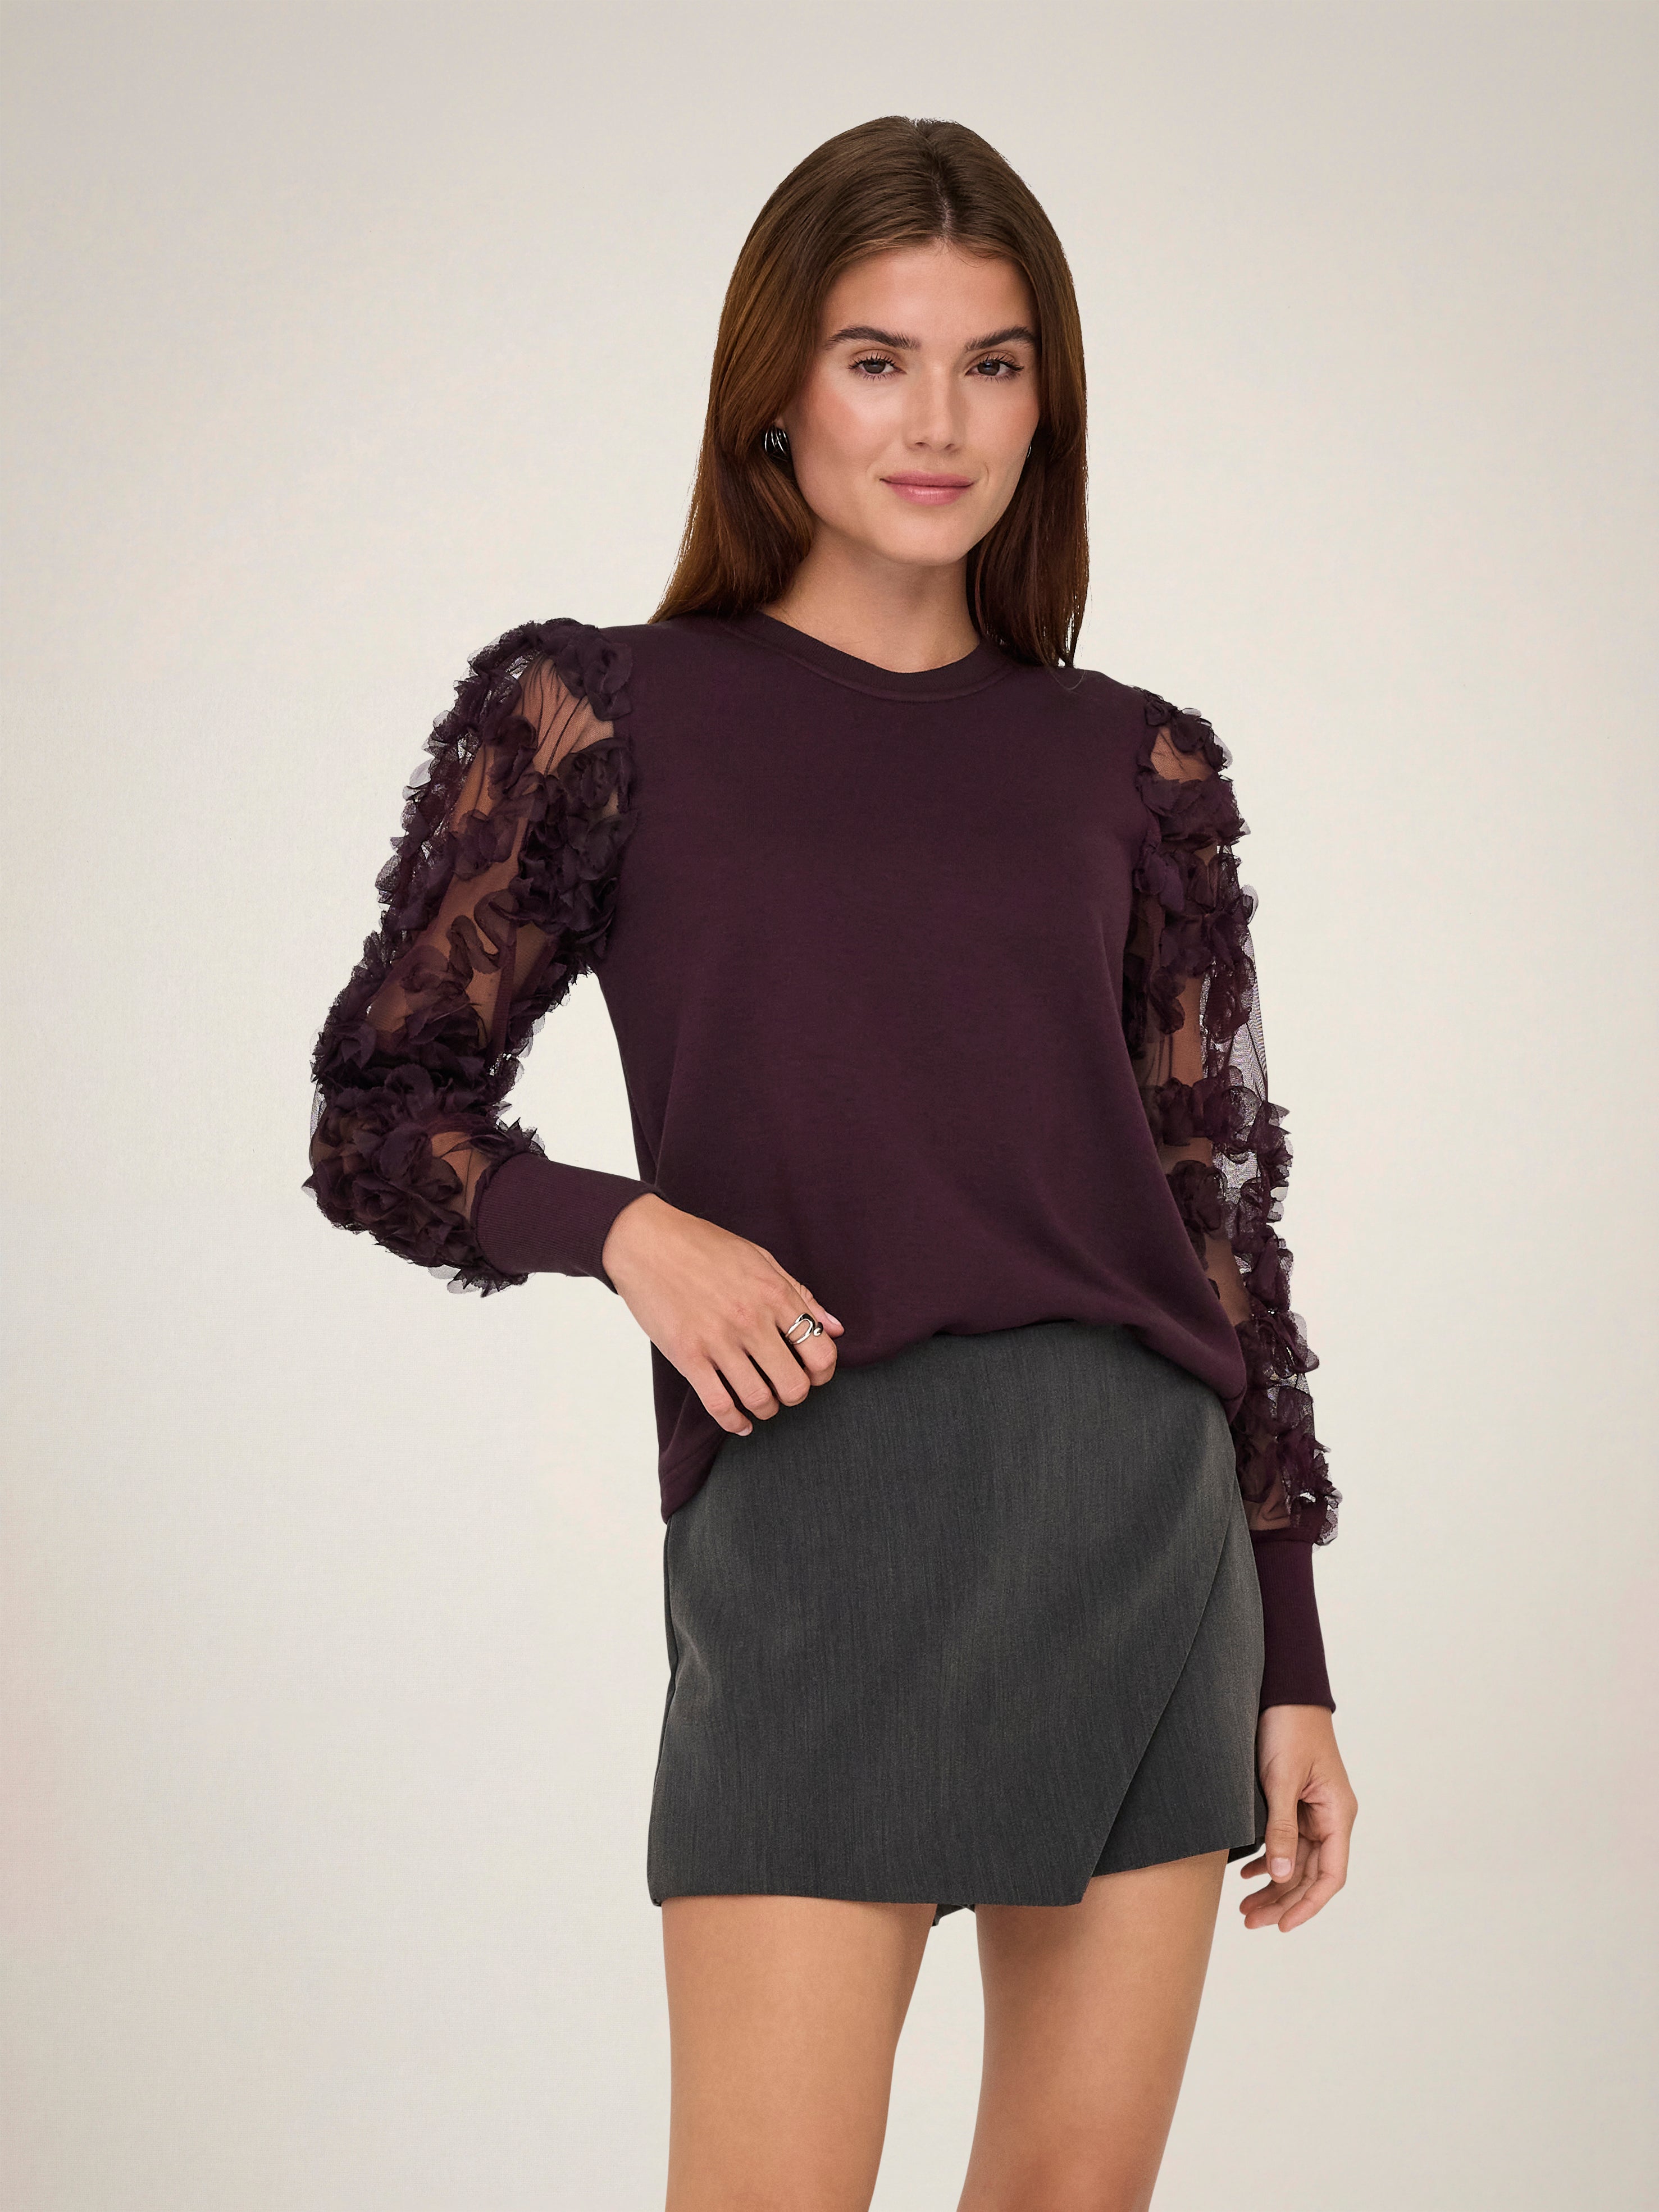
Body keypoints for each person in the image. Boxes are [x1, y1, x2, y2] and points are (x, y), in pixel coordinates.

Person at [304, 114, 1358, 2212]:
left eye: (992, 363)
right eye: (878, 359)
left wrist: (1296, 1656)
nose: (937, 420)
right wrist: (628, 1233)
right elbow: (379, 1109)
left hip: (1135, 1516)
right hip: (813, 1511)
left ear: (1045, 402)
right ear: (775, 389)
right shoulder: (598, 714)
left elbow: (1216, 1226)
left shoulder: (1130, 760)